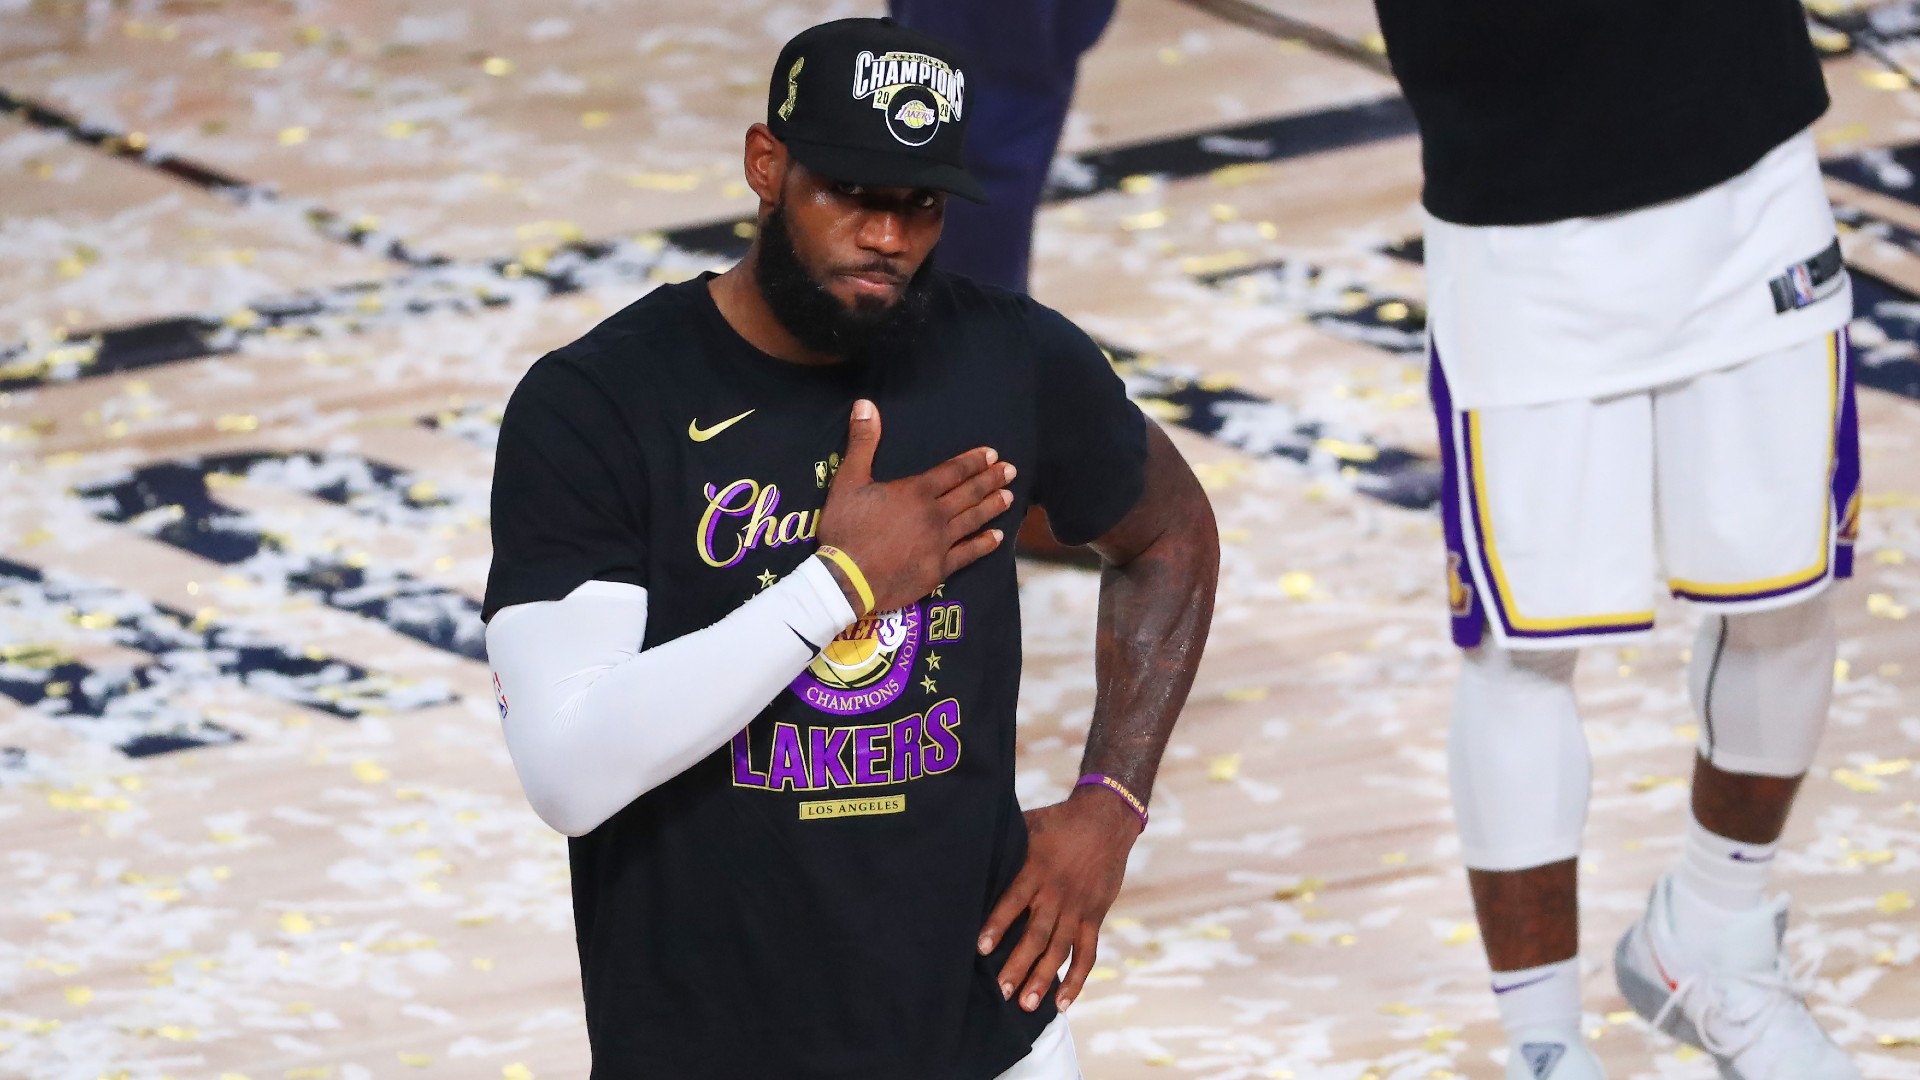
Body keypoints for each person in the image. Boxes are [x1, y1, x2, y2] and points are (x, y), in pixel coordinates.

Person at [482, 17, 1219, 1080]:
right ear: (766, 166)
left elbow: (1170, 532)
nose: (889, 237)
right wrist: (839, 586)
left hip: (984, 1036)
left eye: (919, 204)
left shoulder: (1008, 357)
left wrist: (1114, 803)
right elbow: (568, 771)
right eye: (854, 194)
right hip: (710, 1043)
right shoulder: (599, 404)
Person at [1372, 2, 1863, 1078]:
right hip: (1518, 215)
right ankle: (1547, 1045)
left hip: (1750, 175)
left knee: (1786, 595)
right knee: (1520, 644)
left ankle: (1717, 939)